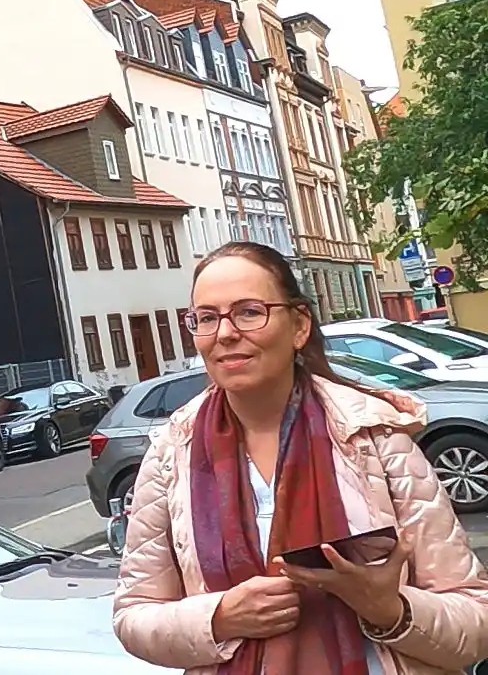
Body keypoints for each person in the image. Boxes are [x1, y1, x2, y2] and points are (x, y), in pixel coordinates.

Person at [113, 241, 488, 675]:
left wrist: (391, 609)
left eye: (250, 311)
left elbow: (475, 618)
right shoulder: (171, 452)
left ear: (299, 325)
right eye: (207, 318)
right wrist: (218, 617)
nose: (226, 333)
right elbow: (133, 614)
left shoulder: (374, 436)